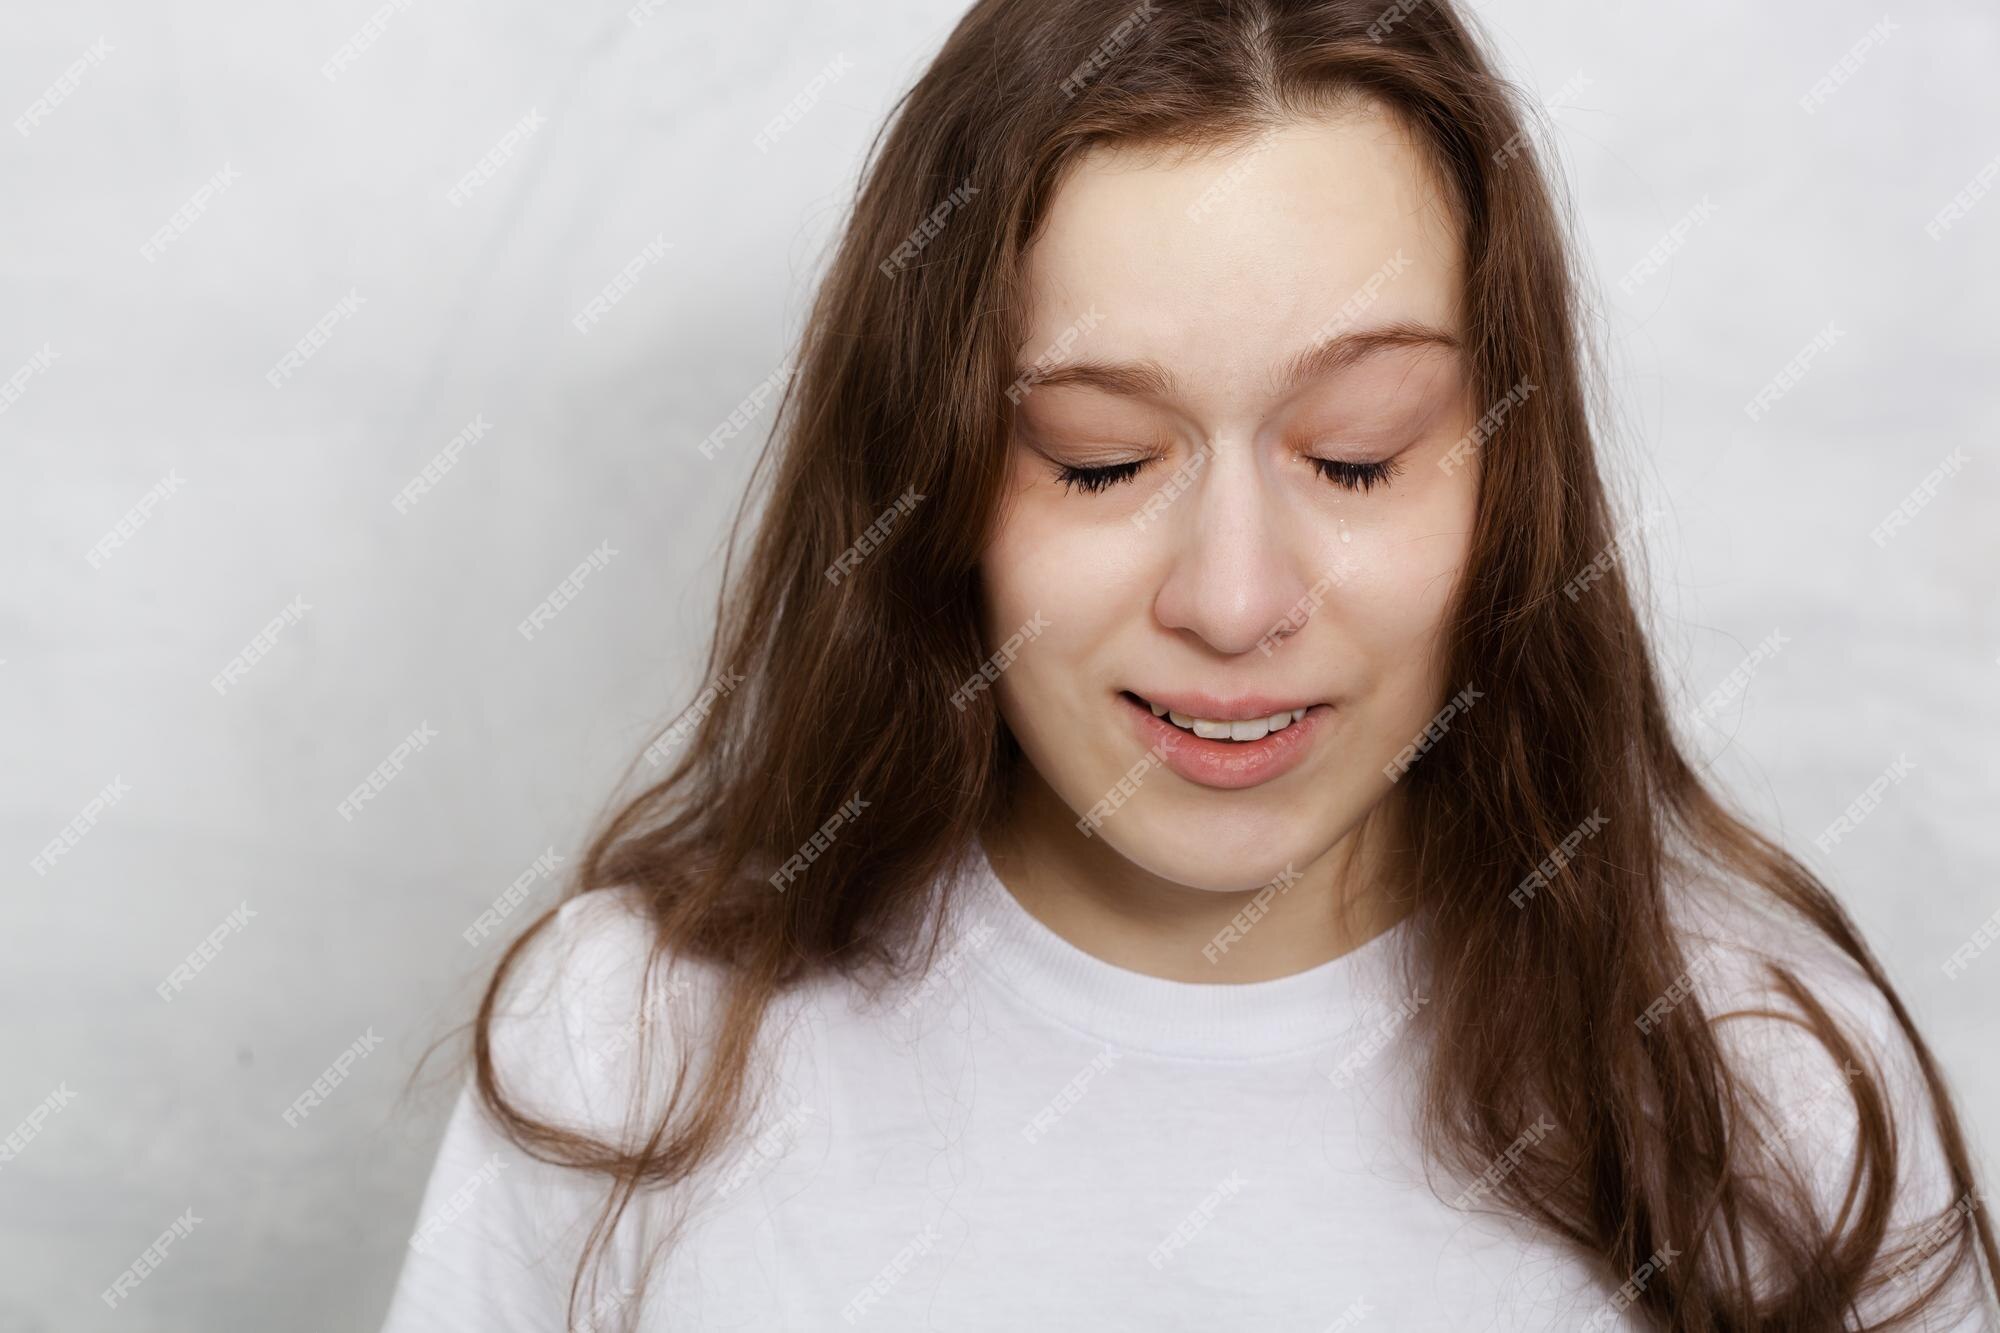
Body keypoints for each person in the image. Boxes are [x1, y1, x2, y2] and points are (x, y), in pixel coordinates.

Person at [381, 1, 1998, 1328]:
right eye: (1096, 460)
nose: (1236, 601)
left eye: (1357, 459)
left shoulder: (1763, 1091)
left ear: (1511, 481)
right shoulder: (629, 1047)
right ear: (925, 485)